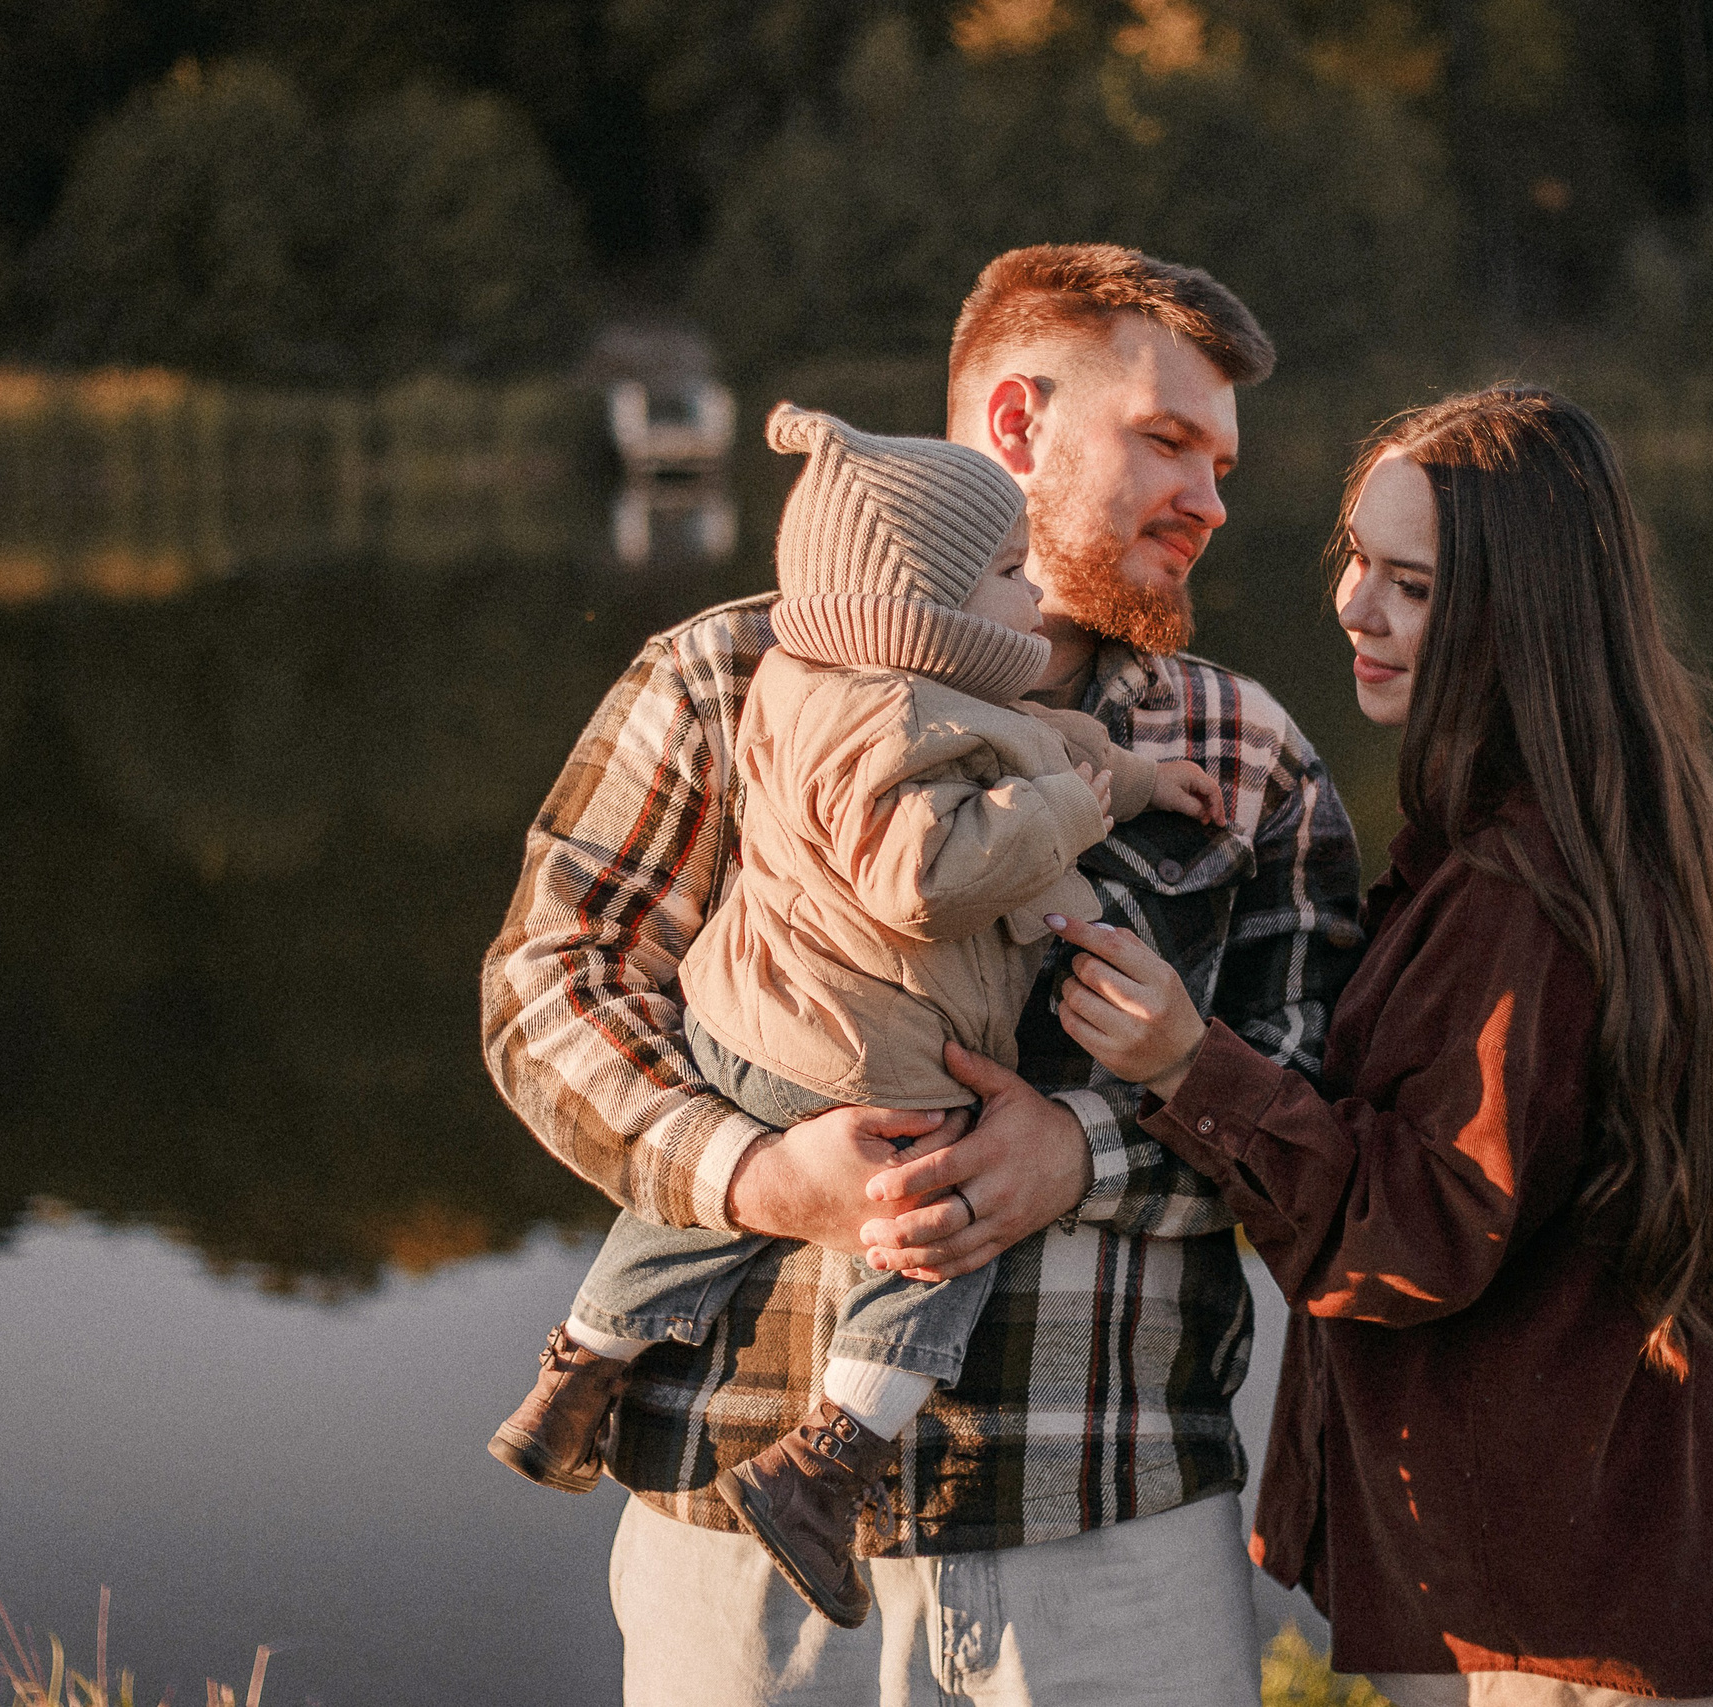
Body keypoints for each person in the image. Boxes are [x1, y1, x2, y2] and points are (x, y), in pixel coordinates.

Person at [481, 243, 1363, 1705]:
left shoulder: (1239, 747)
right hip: (734, 1544)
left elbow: (1322, 1099)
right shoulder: (727, 677)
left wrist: (1079, 1153)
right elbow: (546, 992)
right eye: (1167, 443)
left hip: (1113, 1543)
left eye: (1220, 461)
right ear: (1015, 429)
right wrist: (758, 1175)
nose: (1210, 498)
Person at [1042, 386, 1713, 1705]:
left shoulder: (1523, 889)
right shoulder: (1619, 823)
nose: (1354, 607)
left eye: (1407, 584)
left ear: (1513, 619)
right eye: (1357, 559)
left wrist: (1191, 1067)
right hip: (1613, 1555)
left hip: (1549, 1621)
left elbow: (1415, 1233)